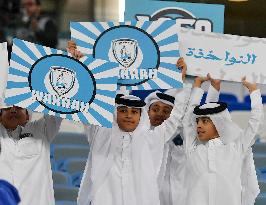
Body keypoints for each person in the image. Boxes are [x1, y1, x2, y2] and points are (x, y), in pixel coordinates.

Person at [77, 66, 190, 205]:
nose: (129, 116)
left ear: (141, 116)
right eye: (123, 110)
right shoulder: (101, 135)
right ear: (115, 113)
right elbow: (89, 104)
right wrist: (80, 66)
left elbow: (175, 116)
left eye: (134, 112)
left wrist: (182, 83)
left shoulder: (150, 139)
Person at [181, 75, 264, 205]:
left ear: (218, 122)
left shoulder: (236, 147)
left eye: (205, 121)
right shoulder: (192, 148)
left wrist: (254, 91)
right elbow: (187, 119)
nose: (199, 125)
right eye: (197, 121)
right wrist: (197, 85)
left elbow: (255, 123)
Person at [0, 64, 62, 205]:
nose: (13, 110)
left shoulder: (42, 130)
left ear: (28, 115)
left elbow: (58, 106)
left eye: (19, 107)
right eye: (7, 107)